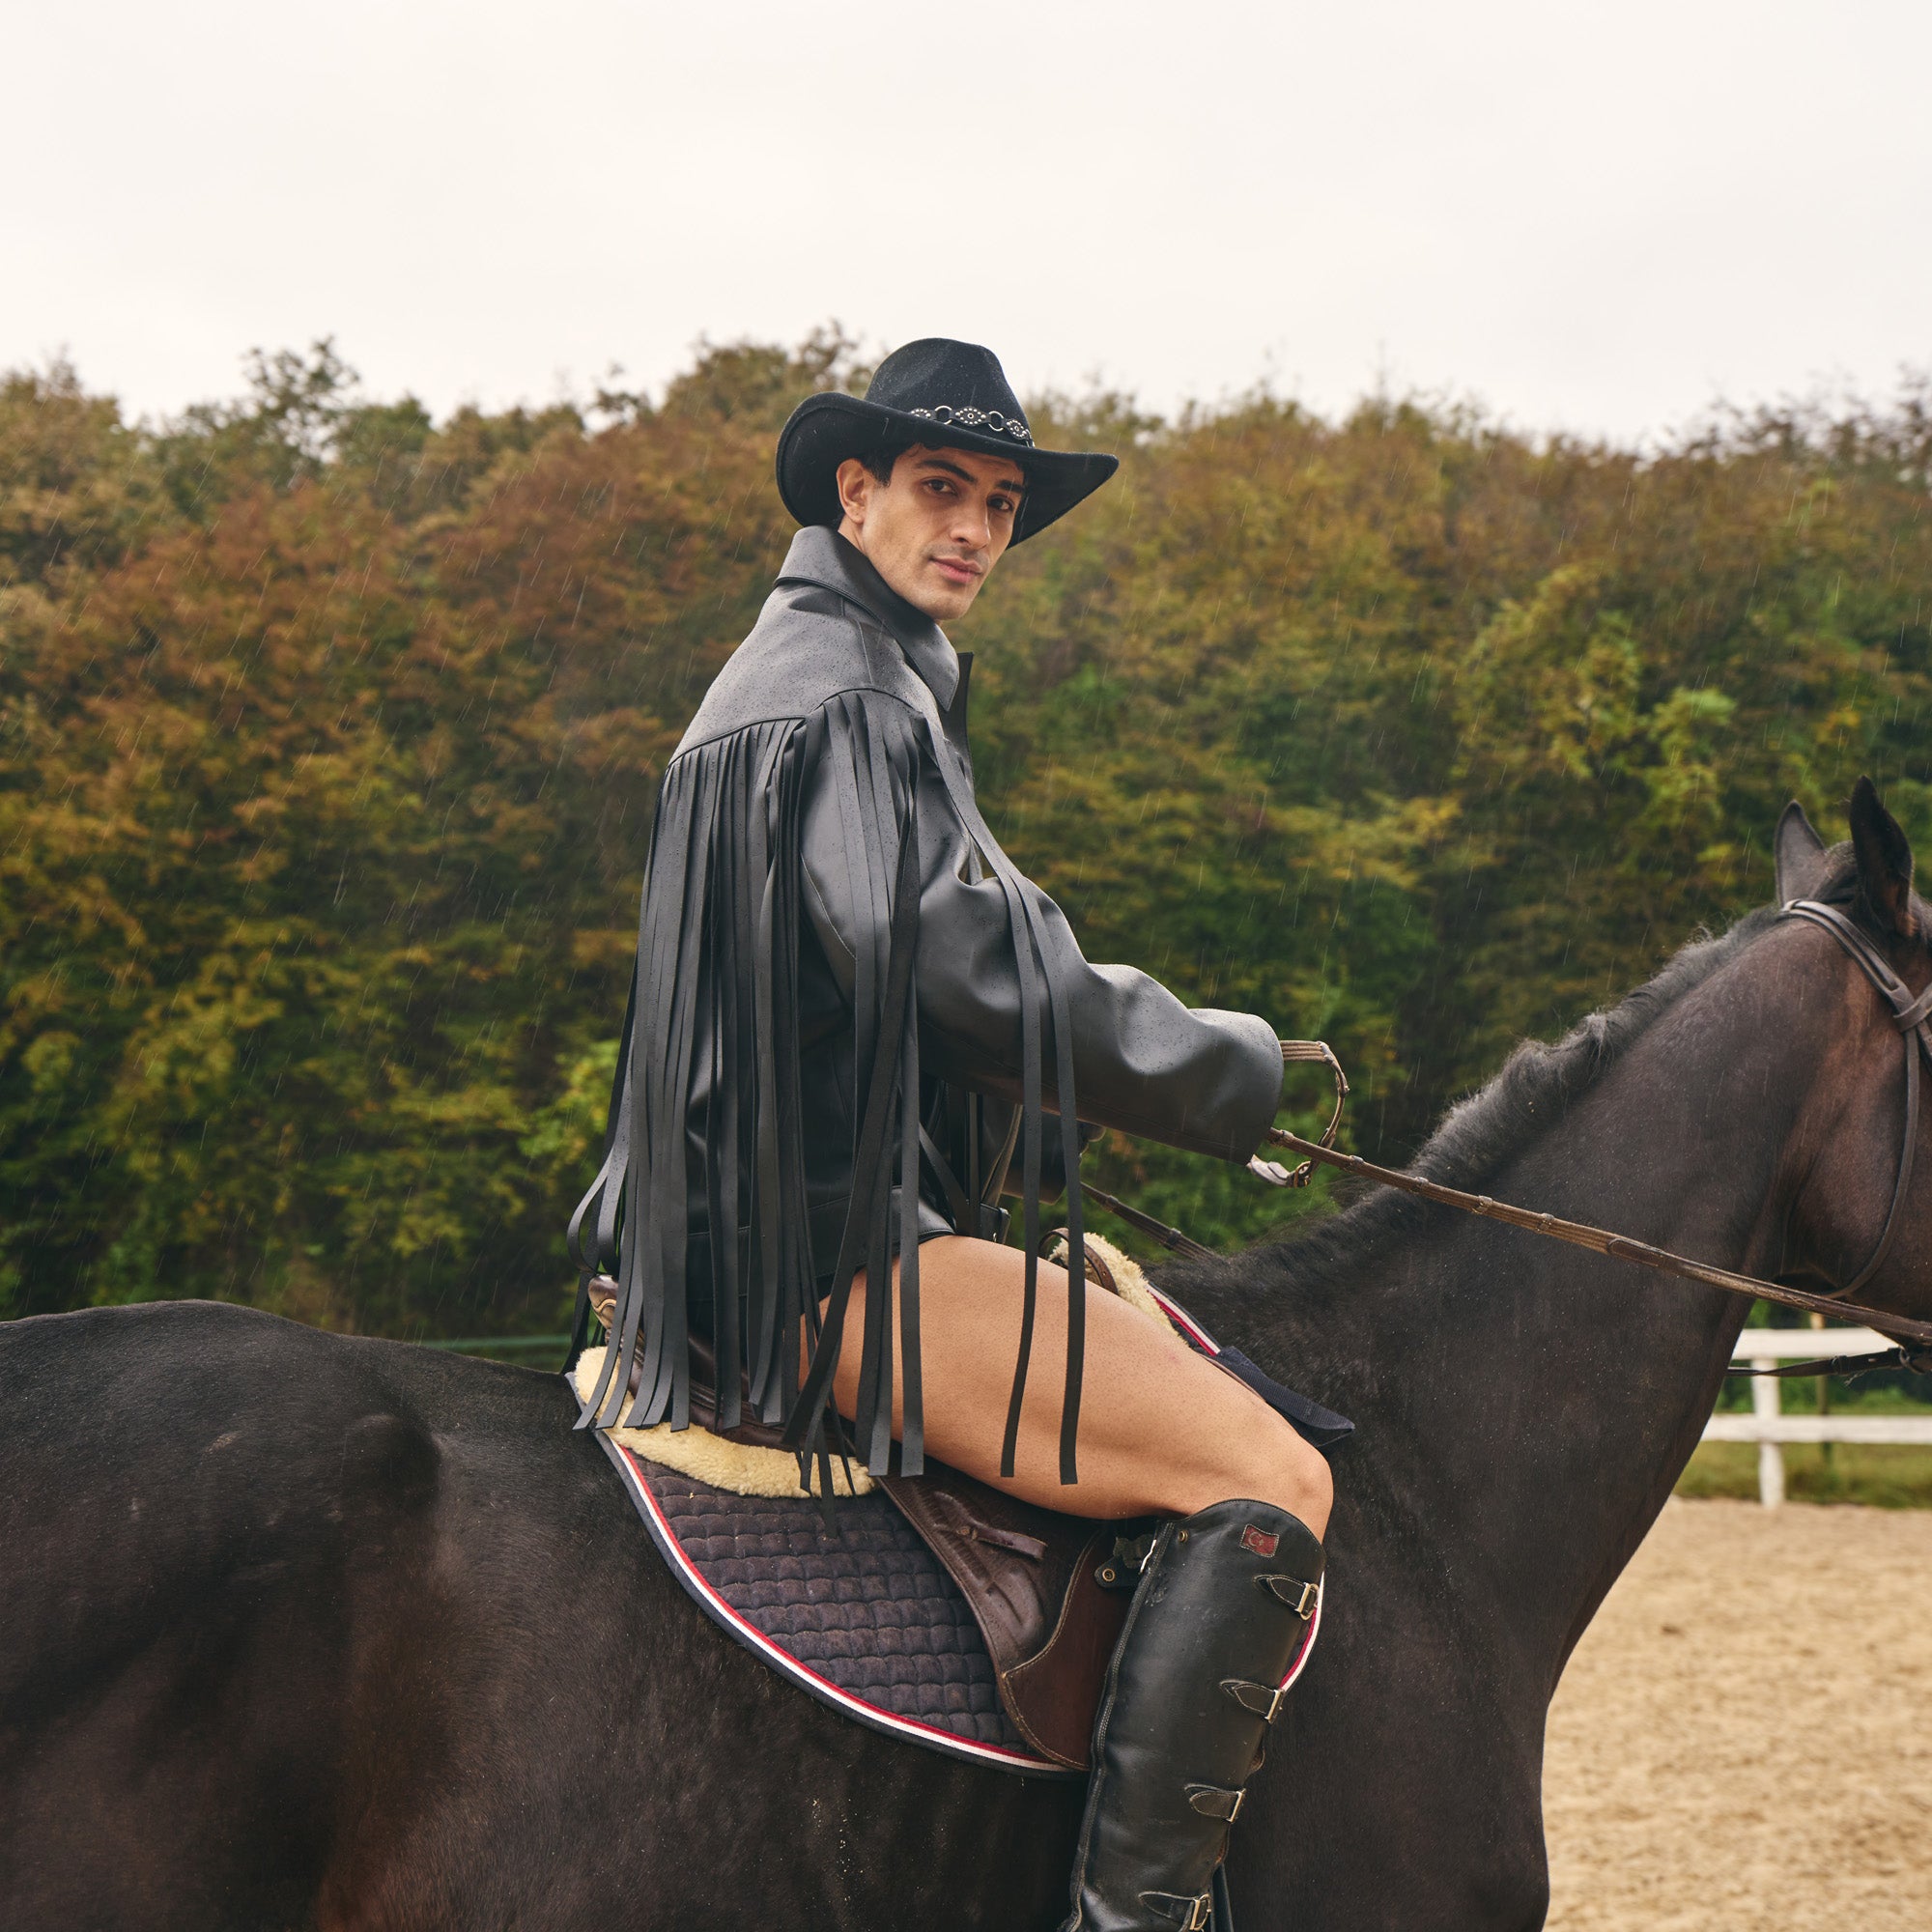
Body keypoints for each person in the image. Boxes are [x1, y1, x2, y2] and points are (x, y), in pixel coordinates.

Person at [570, 338, 1334, 1932]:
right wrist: (1229, 1074)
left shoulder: (807, 671)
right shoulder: (848, 697)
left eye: (997, 502)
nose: (974, 526)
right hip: (814, 1259)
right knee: (1266, 1472)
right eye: (940, 489)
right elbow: (963, 969)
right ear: (855, 492)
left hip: (738, 1226)